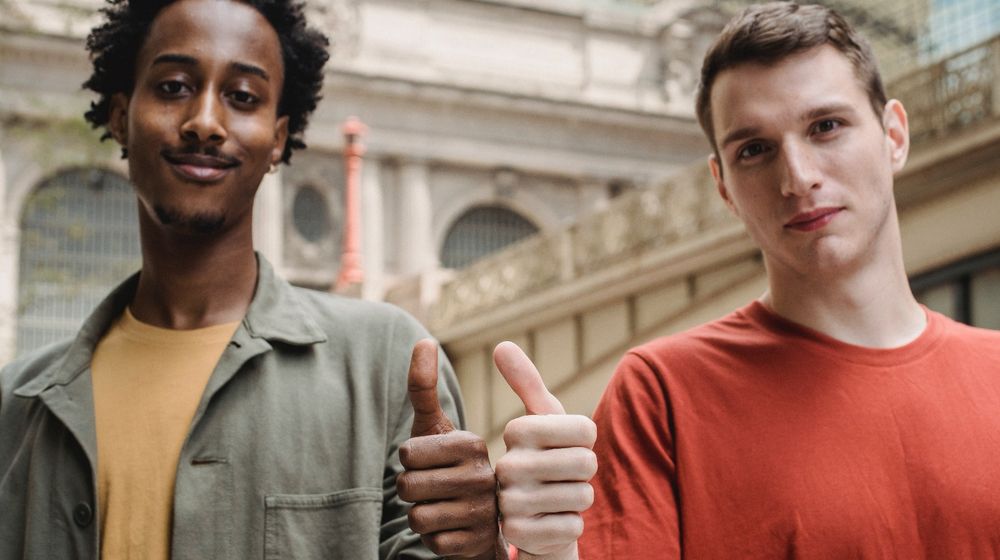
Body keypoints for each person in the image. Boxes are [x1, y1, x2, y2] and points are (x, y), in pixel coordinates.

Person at [496, 2, 1000, 559]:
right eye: (755, 150)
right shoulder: (659, 395)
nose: (799, 178)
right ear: (723, 186)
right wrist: (550, 552)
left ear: (894, 135)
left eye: (826, 127)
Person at [0, 0, 496, 558]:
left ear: (278, 138)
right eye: (172, 87)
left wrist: (475, 549)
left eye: (242, 97)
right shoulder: (16, 407)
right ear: (120, 116)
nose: (205, 123)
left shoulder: (386, 364)